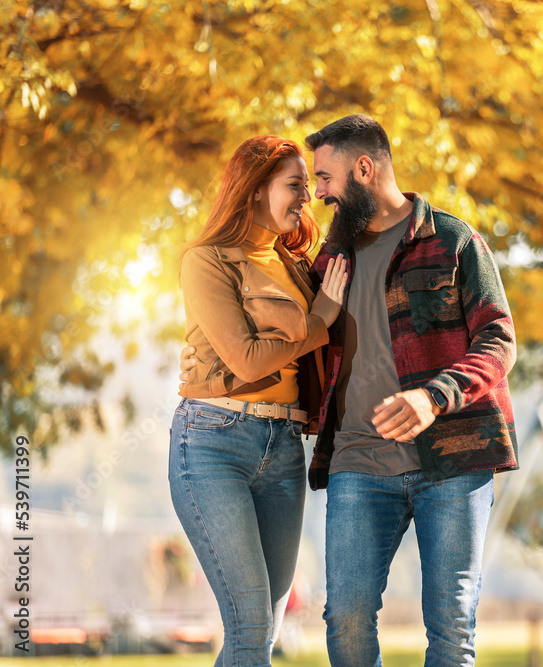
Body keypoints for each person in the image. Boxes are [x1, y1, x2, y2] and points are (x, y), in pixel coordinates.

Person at [304, 114, 518, 667]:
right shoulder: (330, 258)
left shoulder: (452, 240)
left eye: (325, 178)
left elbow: (499, 339)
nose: (318, 192)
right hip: (357, 460)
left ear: (364, 168)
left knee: (450, 628)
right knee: (345, 619)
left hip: (454, 461)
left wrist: (435, 395)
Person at [170, 135, 348, 667]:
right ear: (252, 191)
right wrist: (318, 322)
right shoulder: (206, 262)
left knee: (262, 633)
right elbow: (247, 360)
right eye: (294, 185)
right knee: (249, 625)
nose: (305, 197)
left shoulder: (296, 265)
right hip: (213, 444)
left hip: (285, 448)